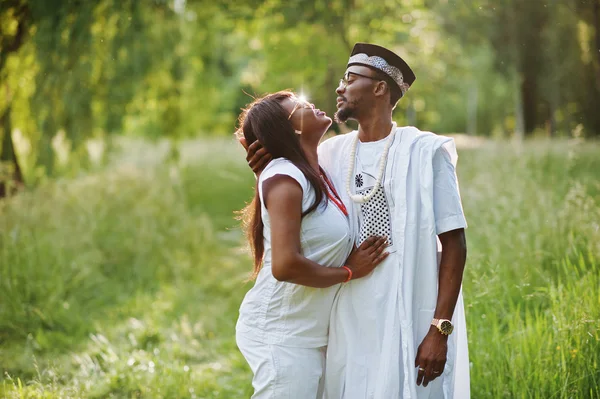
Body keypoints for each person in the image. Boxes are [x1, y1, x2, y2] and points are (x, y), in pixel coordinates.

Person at [244, 44, 469, 398]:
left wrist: (439, 329)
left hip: (409, 307)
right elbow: (289, 184)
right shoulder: (331, 154)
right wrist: (267, 165)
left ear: (380, 88)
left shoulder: (426, 152)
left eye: (350, 79)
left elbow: (454, 243)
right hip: (346, 316)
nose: (339, 88)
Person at [235, 90, 390, 399]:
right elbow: (284, 266)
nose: (312, 104)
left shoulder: (319, 173)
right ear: (290, 129)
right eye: (301, 107)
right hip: (283, 333)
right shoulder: (286, 177)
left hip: (311, 334)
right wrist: (349, 272)